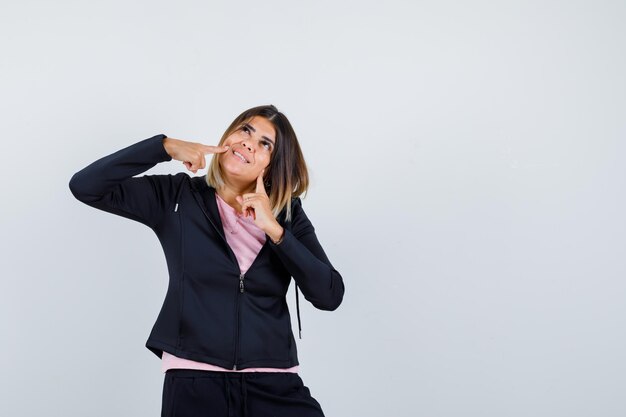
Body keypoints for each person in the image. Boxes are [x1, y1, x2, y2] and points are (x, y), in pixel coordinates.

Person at [68, 104, 345, 417]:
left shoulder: (287, 216)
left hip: (275, 383)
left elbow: (329, 295)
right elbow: (85, 186)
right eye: (245, 130)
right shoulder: (176, 196)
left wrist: (276, 231)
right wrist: (162, 147)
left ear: (273, 164)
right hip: (194, 384)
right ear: (228, 136)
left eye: (265, 144)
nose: (249, 143)